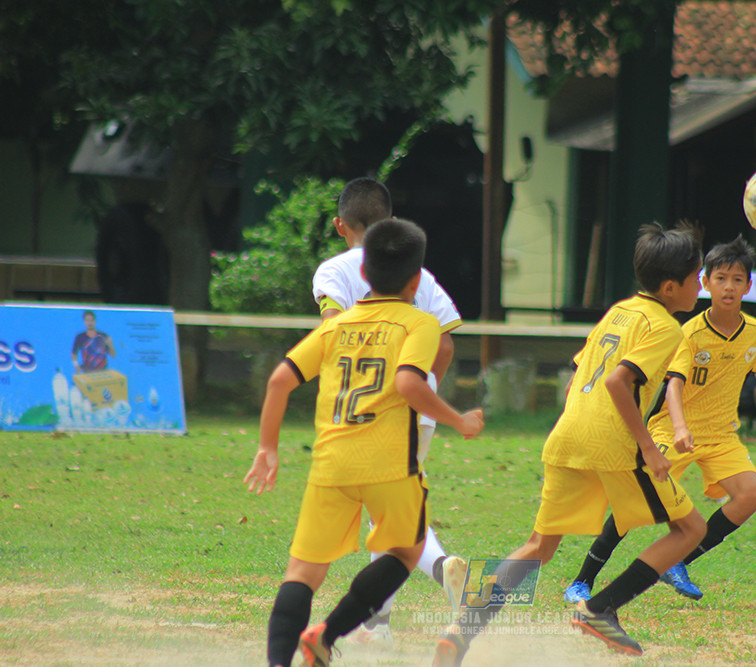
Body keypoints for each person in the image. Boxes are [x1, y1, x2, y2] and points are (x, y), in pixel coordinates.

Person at [433, 221, 707, 665]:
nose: (701, 285)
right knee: (691, 529)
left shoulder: (619, 311)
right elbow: (618, 382)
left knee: (538, 547)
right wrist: (649, 447)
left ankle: (461, 630)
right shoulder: (666, 327)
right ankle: (600, 609)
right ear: (671, 287)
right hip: (612, 440)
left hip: (567, 433)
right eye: (697, 277)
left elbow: (577, 377)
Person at [245, 218, 484, 667]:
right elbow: (410, 383)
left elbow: (279, 381)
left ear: (364, 274)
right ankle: (327, 634)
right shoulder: (419, 324)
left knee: (302, 573)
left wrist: (267, 448)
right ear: (416, 280)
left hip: (331, 464)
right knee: (407, 552)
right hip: (389, 465)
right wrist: (458, 419)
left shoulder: (336, 326)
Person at [563, 235, 756, 607]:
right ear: (705, 282)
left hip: (721, 436)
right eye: (720, 278)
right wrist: (679, 428)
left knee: (751, 495)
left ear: (747, 287)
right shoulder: (689, 333)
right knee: (633, 503)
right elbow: (673, 384)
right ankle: (582, 580)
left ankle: (677, 562)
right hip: (673, 431)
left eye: (737, 280)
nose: (728, 287)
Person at [311, 177, 467, 642]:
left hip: (366, 409)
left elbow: (334, 334)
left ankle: (442, 568)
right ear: (392, 222)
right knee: (391, 513)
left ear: (341, 225)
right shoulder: (420, 275)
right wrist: (424, 389)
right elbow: (445, 345)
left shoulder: (334, 271)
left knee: (390, 517)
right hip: (418, 408)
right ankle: (377, 626)